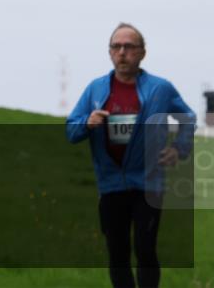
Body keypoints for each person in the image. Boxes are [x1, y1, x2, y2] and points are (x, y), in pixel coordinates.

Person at [66, 23, 196, 288]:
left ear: (142, 53)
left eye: (129, 46)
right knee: (118, 253)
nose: (122, 52)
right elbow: (71, 129)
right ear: (110, 52)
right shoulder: (96, 89)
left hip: (149, 182)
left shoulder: (160, 88)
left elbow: (188, 117)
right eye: (116, 46)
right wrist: (87, 123)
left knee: (145, 249)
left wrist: (179, 149)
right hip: (111, 182)